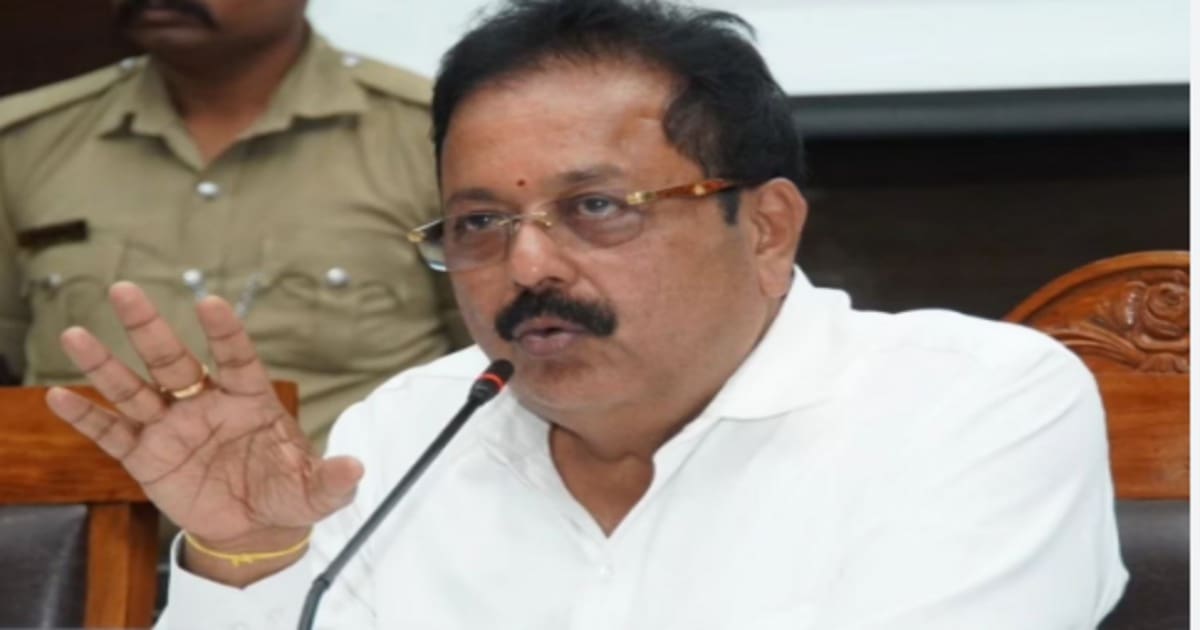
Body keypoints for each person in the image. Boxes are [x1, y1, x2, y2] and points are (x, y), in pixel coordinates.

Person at [45, 0, 1127, 627]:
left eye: (597, 208)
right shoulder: (405, 431)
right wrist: (250, 557)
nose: (525, 265)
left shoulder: (968, 402)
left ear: (766, 228)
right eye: (477, 222)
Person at [0, 0, 468, 450]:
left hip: (352, 502)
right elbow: (12, 348)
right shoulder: (25, 143)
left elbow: (483, 357)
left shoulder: (432, 137)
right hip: (74, 502)